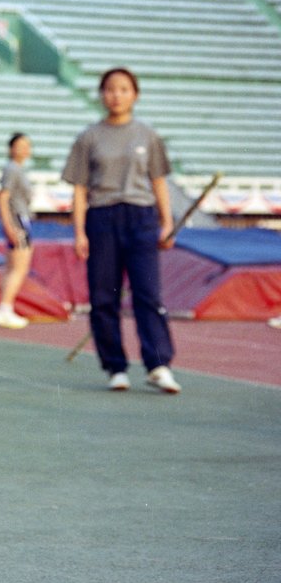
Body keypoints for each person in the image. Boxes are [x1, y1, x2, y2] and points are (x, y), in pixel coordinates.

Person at [62, 67, 181, 394]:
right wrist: (79, 232)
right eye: (110, 89)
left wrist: (166, 222)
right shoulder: (88, 137)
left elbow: (158, 181)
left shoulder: (147, 135)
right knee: (104, 299)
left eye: (124, 89)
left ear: (135, 95)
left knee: (148, 295)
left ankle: (158, 364)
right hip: (101, 220)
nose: (116, 95)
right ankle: (115, 367)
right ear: (101, 95)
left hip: (141, 219)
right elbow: (79, 189)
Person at [0, 132, 34, 329]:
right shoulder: (12, 169)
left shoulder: (18, 169)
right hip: (17, 219)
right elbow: (3, 197)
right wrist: (8, 225)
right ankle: (5, 307)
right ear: (11, 149)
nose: (25, 149)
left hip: (20, 218)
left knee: (13, 266)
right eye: (20, 145)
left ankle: (5, 307)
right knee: (19, 266)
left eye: (27, 145)